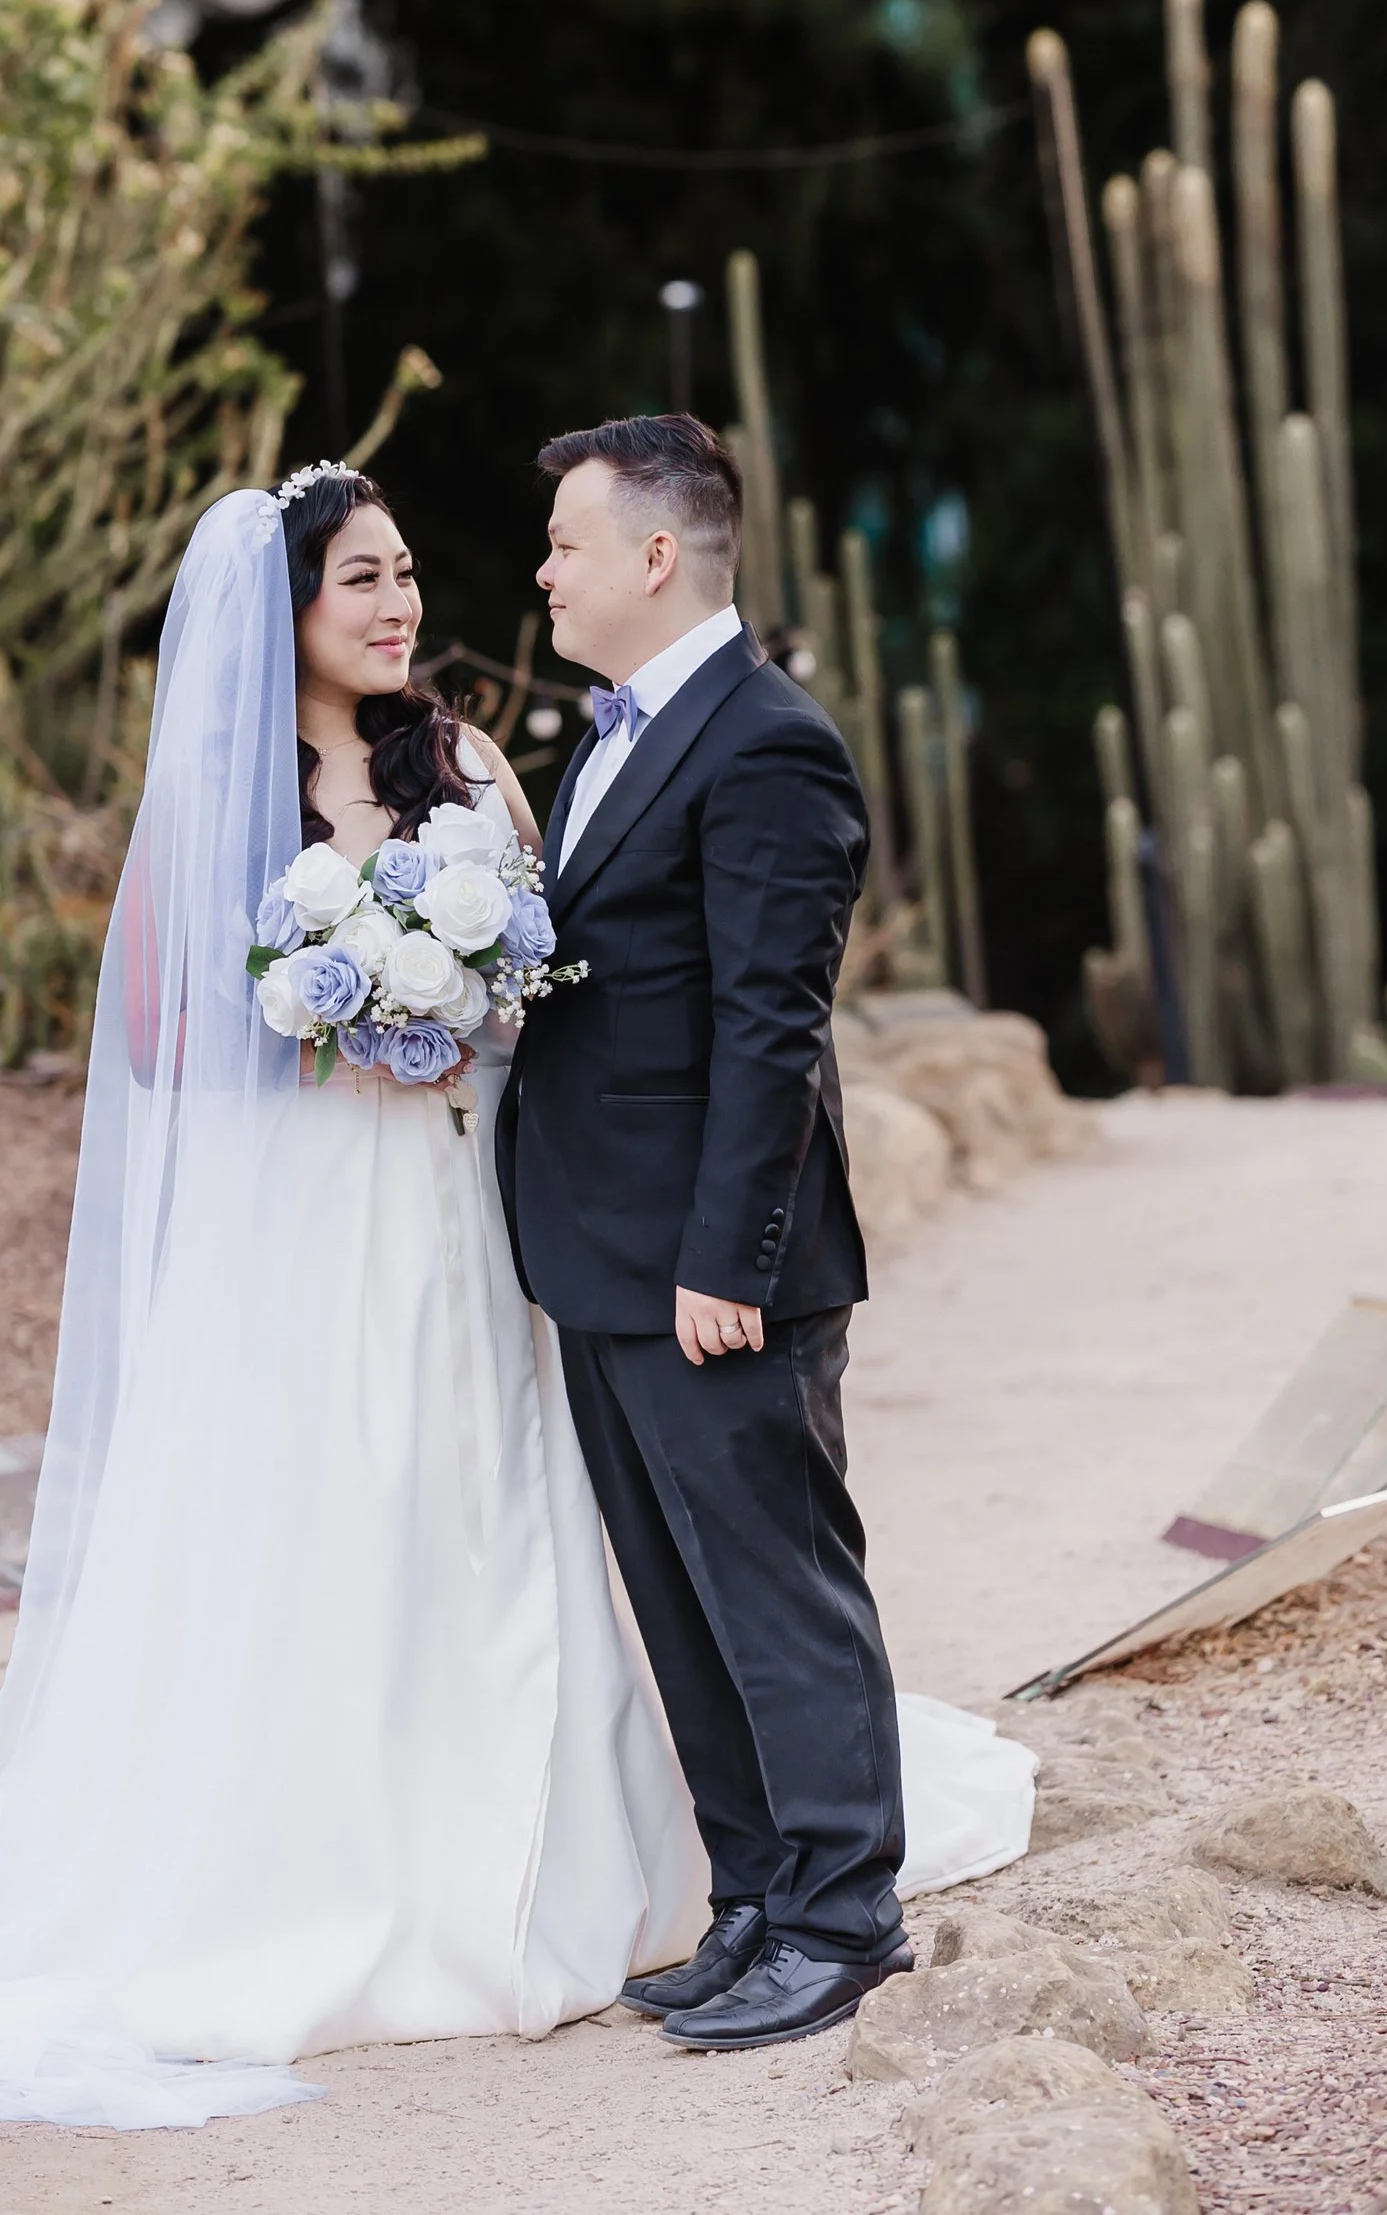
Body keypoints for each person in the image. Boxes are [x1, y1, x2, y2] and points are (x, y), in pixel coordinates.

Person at [0, 462, 1029, 2132]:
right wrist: (337, 1014)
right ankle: (421, 1865)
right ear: (283, 614)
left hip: (480, 1214)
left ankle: (716, 1884)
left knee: (531, 1519)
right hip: (318, 1217)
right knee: (347, 1521)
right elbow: (159, 1036)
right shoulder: (224, 794)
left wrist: (455, 1002)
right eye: (359, 579)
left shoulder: (475, 760)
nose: (399, 602)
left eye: (405, 571)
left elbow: (580, 980)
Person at [502, 412, 911, 2049]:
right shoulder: (606, 734)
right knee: (678, 1594)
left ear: (655, 557)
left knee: (776, 1585)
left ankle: (844, 1913)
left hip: (709, 1268)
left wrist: (722, 1266)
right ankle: (754, 1895)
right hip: (600, 1251)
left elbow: (770, 1026)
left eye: (568, 542)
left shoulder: (766, 741)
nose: (544, 567)